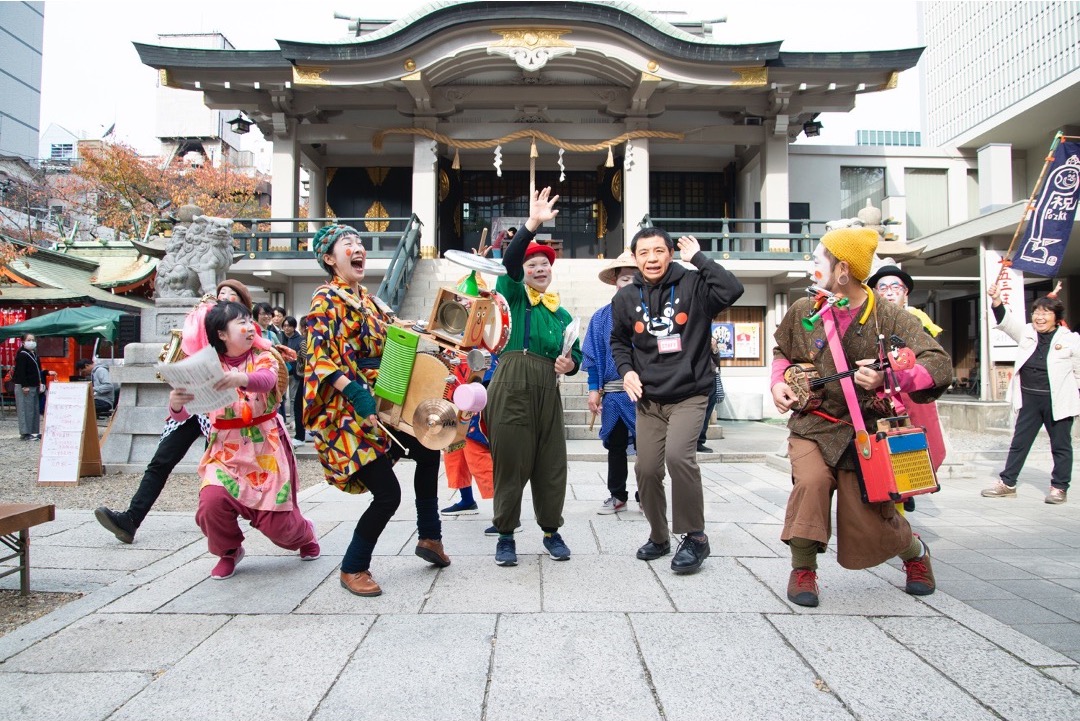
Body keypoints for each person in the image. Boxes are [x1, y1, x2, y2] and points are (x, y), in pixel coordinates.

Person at [770, 226, 953, 607]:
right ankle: (803, 569)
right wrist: (778, 383)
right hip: (813, 423)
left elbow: (939, 364)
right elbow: (782, 353)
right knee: (811, 484)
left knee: (869, 518)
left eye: (818, 259)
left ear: (842, 269)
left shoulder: (889, 316)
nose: (810, 265)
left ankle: (916, 553)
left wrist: (891, 377)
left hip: (864, 430)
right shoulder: (804, 309)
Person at [306, 223, 450, 598]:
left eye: (359, 242)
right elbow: (320, 358)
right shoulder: (325, 300)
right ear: (329, 258)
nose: (358, 248)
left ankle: (430, 536)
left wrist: (443, 335)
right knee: (388, 495)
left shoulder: (369, 301)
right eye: (347, 243)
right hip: (347, 413)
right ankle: (353, 567)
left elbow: (399, 332)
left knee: (429, 445)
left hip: (384, 400)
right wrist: (356, 392)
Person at [611, 228, 744, 574]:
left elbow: (732, 289)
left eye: (659, 251)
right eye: (644, 253)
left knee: (678, 458)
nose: (652, 259)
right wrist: (627, 370)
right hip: (649, 399)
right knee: (646, 468)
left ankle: (695, 537)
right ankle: (659, 536)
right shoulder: (626, 298)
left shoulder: (694, 284)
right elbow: (619, 341)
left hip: (690, 393)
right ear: (635, 258)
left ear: (670, 253)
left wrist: (698, 259)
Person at [94, 279, 259, 544]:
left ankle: (222, 520)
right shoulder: (202, 325)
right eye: (221, 293)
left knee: (220, 468)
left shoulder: (249, 334)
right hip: (194, 400)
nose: (224, 297)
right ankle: (131, 519)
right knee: (161, 460)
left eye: (232, 295)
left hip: (228, 409)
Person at [168, 301, 318, 579]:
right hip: (225, 450)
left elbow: (266, 380)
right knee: (211, 503)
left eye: (250, 321)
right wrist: (176, 403)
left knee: (280, 526)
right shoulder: (206, 365)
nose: (250, 327)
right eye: (242, 323)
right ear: (221, 334)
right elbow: (183, 414)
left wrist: (239, 378)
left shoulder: (263, 355)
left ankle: (305, 533)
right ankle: (229, 551)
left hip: (265, 447)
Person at [486, 188, 581, 567]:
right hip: (512, 381)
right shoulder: (512, 293)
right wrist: (533, 223)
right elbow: (509, 261)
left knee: (552, 464)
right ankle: (506, 535)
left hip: (548, 389)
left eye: (545, 264)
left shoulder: (562, 314)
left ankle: (551, 532)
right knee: (510, 462)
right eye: (533, 265)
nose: (540, 269)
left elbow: (576, 355)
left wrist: (570, 365)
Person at [981, 285, 1080, 504]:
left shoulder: (1071, 339)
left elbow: (1078, 372)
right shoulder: (1027, 332)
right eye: (1036, 312)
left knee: (1061, 446)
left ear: (1056, 318)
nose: (1039, 317)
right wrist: (996, 299)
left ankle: (1059, 488)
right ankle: (1008, 483)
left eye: (1046, 313)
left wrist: (1076, 399)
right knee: (1020, 442)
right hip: (1029, 398)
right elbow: (1006, 322)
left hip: (1058, 400)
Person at [867, 264, 948, 511]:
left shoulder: (916, 320)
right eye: (882, 287)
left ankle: (907, 492)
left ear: (905, 293)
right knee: (882, 455)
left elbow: (931, 360)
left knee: (916, 449)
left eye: (896, 287)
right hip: (877, 395)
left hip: (910, 393)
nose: (889, 292)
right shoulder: (867, 322)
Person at [583, 252, 639, 515]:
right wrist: (594, 390)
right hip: (614, 394)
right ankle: (617, 495)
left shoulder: (652, 315)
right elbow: (593, 357)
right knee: (616, 446)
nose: (630, 283)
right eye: (625, 278)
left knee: (648, 449)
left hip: (645, 395)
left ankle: (647, 495)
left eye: (636, 278)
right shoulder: (601, 317)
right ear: (616, 281)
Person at [12, 333, 46, 441]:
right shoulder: (22, 354)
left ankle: (34, 431)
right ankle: (25, 433)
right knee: (25, 409)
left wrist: (42, 380)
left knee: (34, 409)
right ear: (23, 342)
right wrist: (24, 386)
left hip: (34, 385)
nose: (31, 342)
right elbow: (21, 372)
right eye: (29, 340)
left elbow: (37, 370)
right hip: (25, 386)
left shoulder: (34, 354)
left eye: (33, 340)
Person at [281, 315, 305, 447]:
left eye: (289, 326)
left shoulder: (303, 341)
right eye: (284, 326)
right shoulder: (285, 338)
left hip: (301, 376)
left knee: (297, 403)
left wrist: (295, 358)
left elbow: (305, 360)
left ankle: (300, 435)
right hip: (296, 374)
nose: (286, 328)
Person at [697, 336, 723, 454]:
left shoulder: (709, 338)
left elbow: (717, 363)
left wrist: (714, 349)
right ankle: (691, 441)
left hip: (710, 379)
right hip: (696, 380)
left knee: (707, 413)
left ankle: (699, 441)